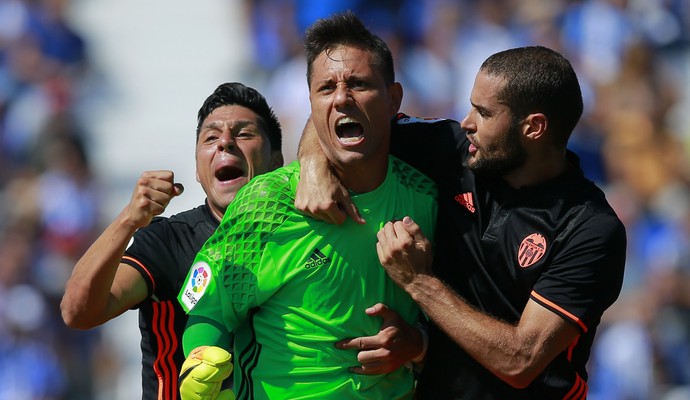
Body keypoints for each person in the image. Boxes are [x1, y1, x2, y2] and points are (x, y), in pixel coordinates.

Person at [297, 45, 627, 399]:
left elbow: (521, 360)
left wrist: (419, 282)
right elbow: (349, 119)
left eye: (484, 112)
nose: (467, 122)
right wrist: (314, 167)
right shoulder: (454, 151)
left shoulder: (590, 227)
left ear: (534, 127)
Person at [178, 11, 437, 400]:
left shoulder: (427, 197)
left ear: (393, 99)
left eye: (359, 84)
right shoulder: (266, 201)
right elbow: (210, 309)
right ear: (311, 106)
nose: (342, 99)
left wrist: (417, 343)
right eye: (325, 88)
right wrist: (199, 356)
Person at [60, 82, 285, 400]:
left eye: (244, 133)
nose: (225, 143)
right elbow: (77, 312)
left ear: (276, 163)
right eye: (211, 137)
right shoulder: (168, 241)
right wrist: (129, 219)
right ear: (197, 169)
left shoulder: (303, 236)